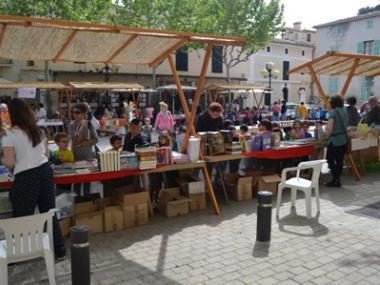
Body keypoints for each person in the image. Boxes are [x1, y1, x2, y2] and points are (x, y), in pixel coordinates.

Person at [2, 98, 66, 260]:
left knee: (21, 217)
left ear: (12, 114)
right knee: (49, 213)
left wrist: (9, 163)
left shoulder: (9, 134)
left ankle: (15, 255)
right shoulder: (38, 130)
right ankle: (60, 251)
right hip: (45, 172)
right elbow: (45, 154)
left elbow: (9, 162)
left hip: (26, 177)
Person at [69, 103, 99, 197]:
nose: (75, 114)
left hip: (87, 156)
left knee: (87, 181)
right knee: (76, 180)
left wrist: (84, 143)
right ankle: (77, 201)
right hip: (75, 155)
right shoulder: (71, 124)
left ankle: (87, 201)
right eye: (73, 112)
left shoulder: (89, 124)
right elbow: (73, 139)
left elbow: (96, 139)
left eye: (77, 112)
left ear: (83, 113)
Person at [325, 95, 348, 187]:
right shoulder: (344, 111)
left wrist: (326, 136)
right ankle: (337, 179)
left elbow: (330, 127)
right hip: (343, 139)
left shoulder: (333, 112)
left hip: (334, 140)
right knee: (340, 161)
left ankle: (336, 178)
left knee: (330, 159)